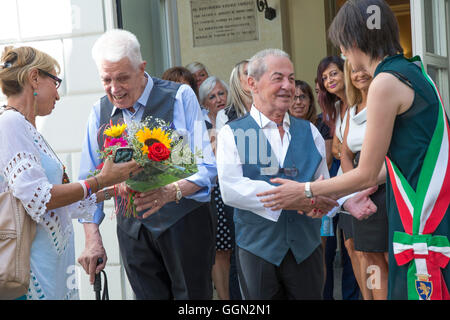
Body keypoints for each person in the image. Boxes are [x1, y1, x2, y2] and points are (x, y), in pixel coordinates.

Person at [257, 0, 450, 300]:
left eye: (344, 46)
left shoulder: (385, 82)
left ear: (355, 40)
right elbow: (398, 164)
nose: (344, 55)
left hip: (422, 217)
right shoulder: (416, 71)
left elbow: (367, 172)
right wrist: (330, 192)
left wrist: (305, 190)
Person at [216, 49, 376, 300]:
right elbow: (231, 189)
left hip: (306, 249)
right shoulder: (233, 132)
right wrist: (291, 199)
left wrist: (345, 201)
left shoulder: (309, 131)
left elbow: (323, 183)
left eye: (291, 78)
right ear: (252, 84)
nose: (287, 86)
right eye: (278, 78)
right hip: (258, 250)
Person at [78, 29, 217, 300]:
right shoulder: (98, 112)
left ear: (142, 69)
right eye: (106, 79)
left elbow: (208, 168)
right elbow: (88, 183)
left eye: (122, 78)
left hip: (185, 222)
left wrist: (171, 190)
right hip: (132, 232)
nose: (115, 89)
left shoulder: (180, 97)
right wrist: (92, 238)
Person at [0, 46, 140, 300]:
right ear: (34, 78)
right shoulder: (10, 124)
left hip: (50, 263)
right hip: (32, 271)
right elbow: (41, 198)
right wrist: (99, 180)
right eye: (55, 81)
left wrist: (109, 188)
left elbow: (58, 202)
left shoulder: (24, 127)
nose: (58, 94)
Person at [341, 59, 389, 300]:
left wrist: (367, 180)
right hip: (360, 192)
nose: (359, 74)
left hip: (387, 186)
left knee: (390, 256)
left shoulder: (387, 101)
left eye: (363, 68)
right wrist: (355, 187)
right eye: (353, 71)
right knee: (369, 255)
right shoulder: (352, 109)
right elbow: (345, 154)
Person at [317, 56, 363, 299]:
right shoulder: (337, 108)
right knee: (349, 246)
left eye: (333, 73)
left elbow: (344, 149)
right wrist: (347, 150)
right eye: (324, 78)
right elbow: (337, 149)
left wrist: (346, 150)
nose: (329, 80)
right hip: (345, 185)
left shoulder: (362, 101)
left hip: (361, 182)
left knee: (364, 250)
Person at [198, 76, 233, 300]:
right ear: (204, 103)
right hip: (214, 192)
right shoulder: (201, 125)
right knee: (219, 251)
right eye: (212, 96)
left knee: (234, 250)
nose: (219, 99)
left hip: (233, 188)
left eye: (221, 94)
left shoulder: (234, 118)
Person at [216, 60, 252, 131]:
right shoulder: (224, 115)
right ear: (237, 80)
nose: (252, 76)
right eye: (247, 73)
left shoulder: (271, 110)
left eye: (256, 73)